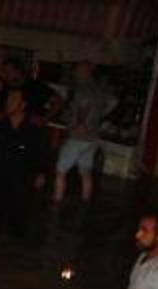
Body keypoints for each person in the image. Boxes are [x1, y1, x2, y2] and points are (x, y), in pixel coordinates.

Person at [0, 88, 47, 238]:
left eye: (13, 100)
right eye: (8, 100)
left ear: (23, 104)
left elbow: (41, 150)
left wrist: (41, 172)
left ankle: (16, 235)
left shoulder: (33, 125)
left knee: (19, 205)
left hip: (21, 172)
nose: (9, 103)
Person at [54, 61, 116, 204]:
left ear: (83, 72)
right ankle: (85, 201)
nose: (74, 74)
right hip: (93, 137)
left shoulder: (82, 88)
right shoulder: (99, 89)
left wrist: (78, 124)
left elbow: (83, 107)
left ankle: (56, 202)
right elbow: (114, 102)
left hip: (78, 136)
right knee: (86, 172)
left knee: (60, 171)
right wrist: (100, 115)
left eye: (76, 71)